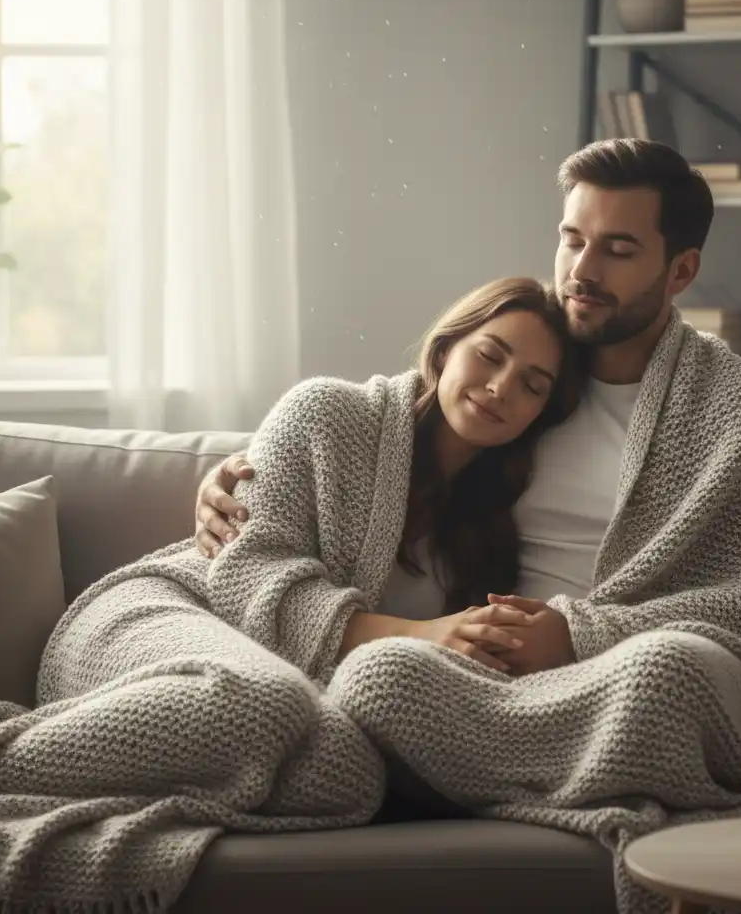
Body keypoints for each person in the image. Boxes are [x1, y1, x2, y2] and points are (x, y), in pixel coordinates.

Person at [196, 136, 712, 676]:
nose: (582, 271)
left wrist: (576, 637)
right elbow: (250, 548)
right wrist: (230, 477)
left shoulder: (708, 414)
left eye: (619, 250)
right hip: (204, 617)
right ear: (445, 347)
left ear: (680, 271)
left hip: (524, 671)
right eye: (572, 240)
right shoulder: (347, 417)